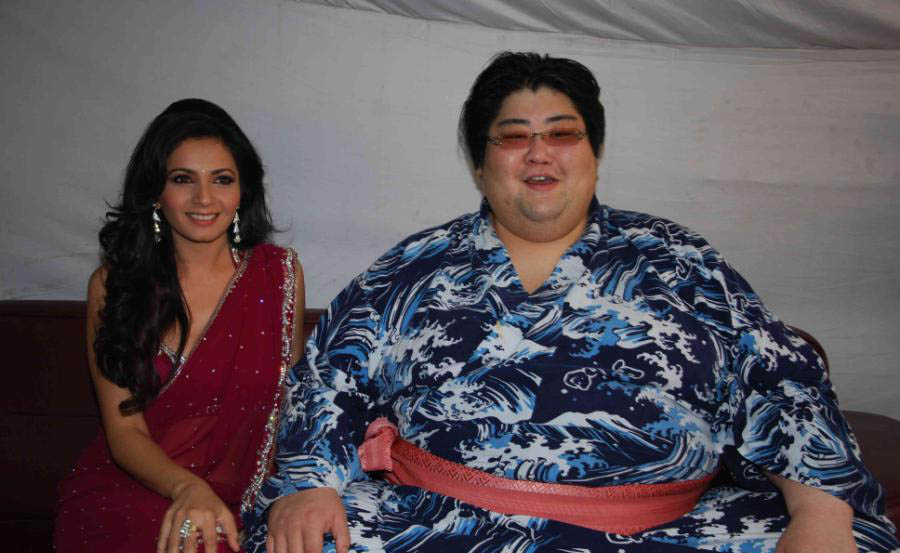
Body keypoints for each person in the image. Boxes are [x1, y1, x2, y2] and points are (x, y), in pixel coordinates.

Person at [243, 53, 899, 553]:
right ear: (480, 162)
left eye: (562, 133)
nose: (539, 153)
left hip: (671, 530)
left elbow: (780, 379)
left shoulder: (680, 260)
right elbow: (330, 376)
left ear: (594, 152)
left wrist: (820, 511)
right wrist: (308, 484)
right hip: (435, 525)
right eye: (512, 136)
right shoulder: (412, 267)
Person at [54, 98, 305, 553]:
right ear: (155, 192)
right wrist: (188, 489)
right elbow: (125, 432)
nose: (204, 199)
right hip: (140, 489)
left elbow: (293, 407)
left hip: (249, 497)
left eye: (222, 179)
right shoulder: (113, 286)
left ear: (243, 191)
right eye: (182, 179)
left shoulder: (278, 274)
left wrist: (293, 497)